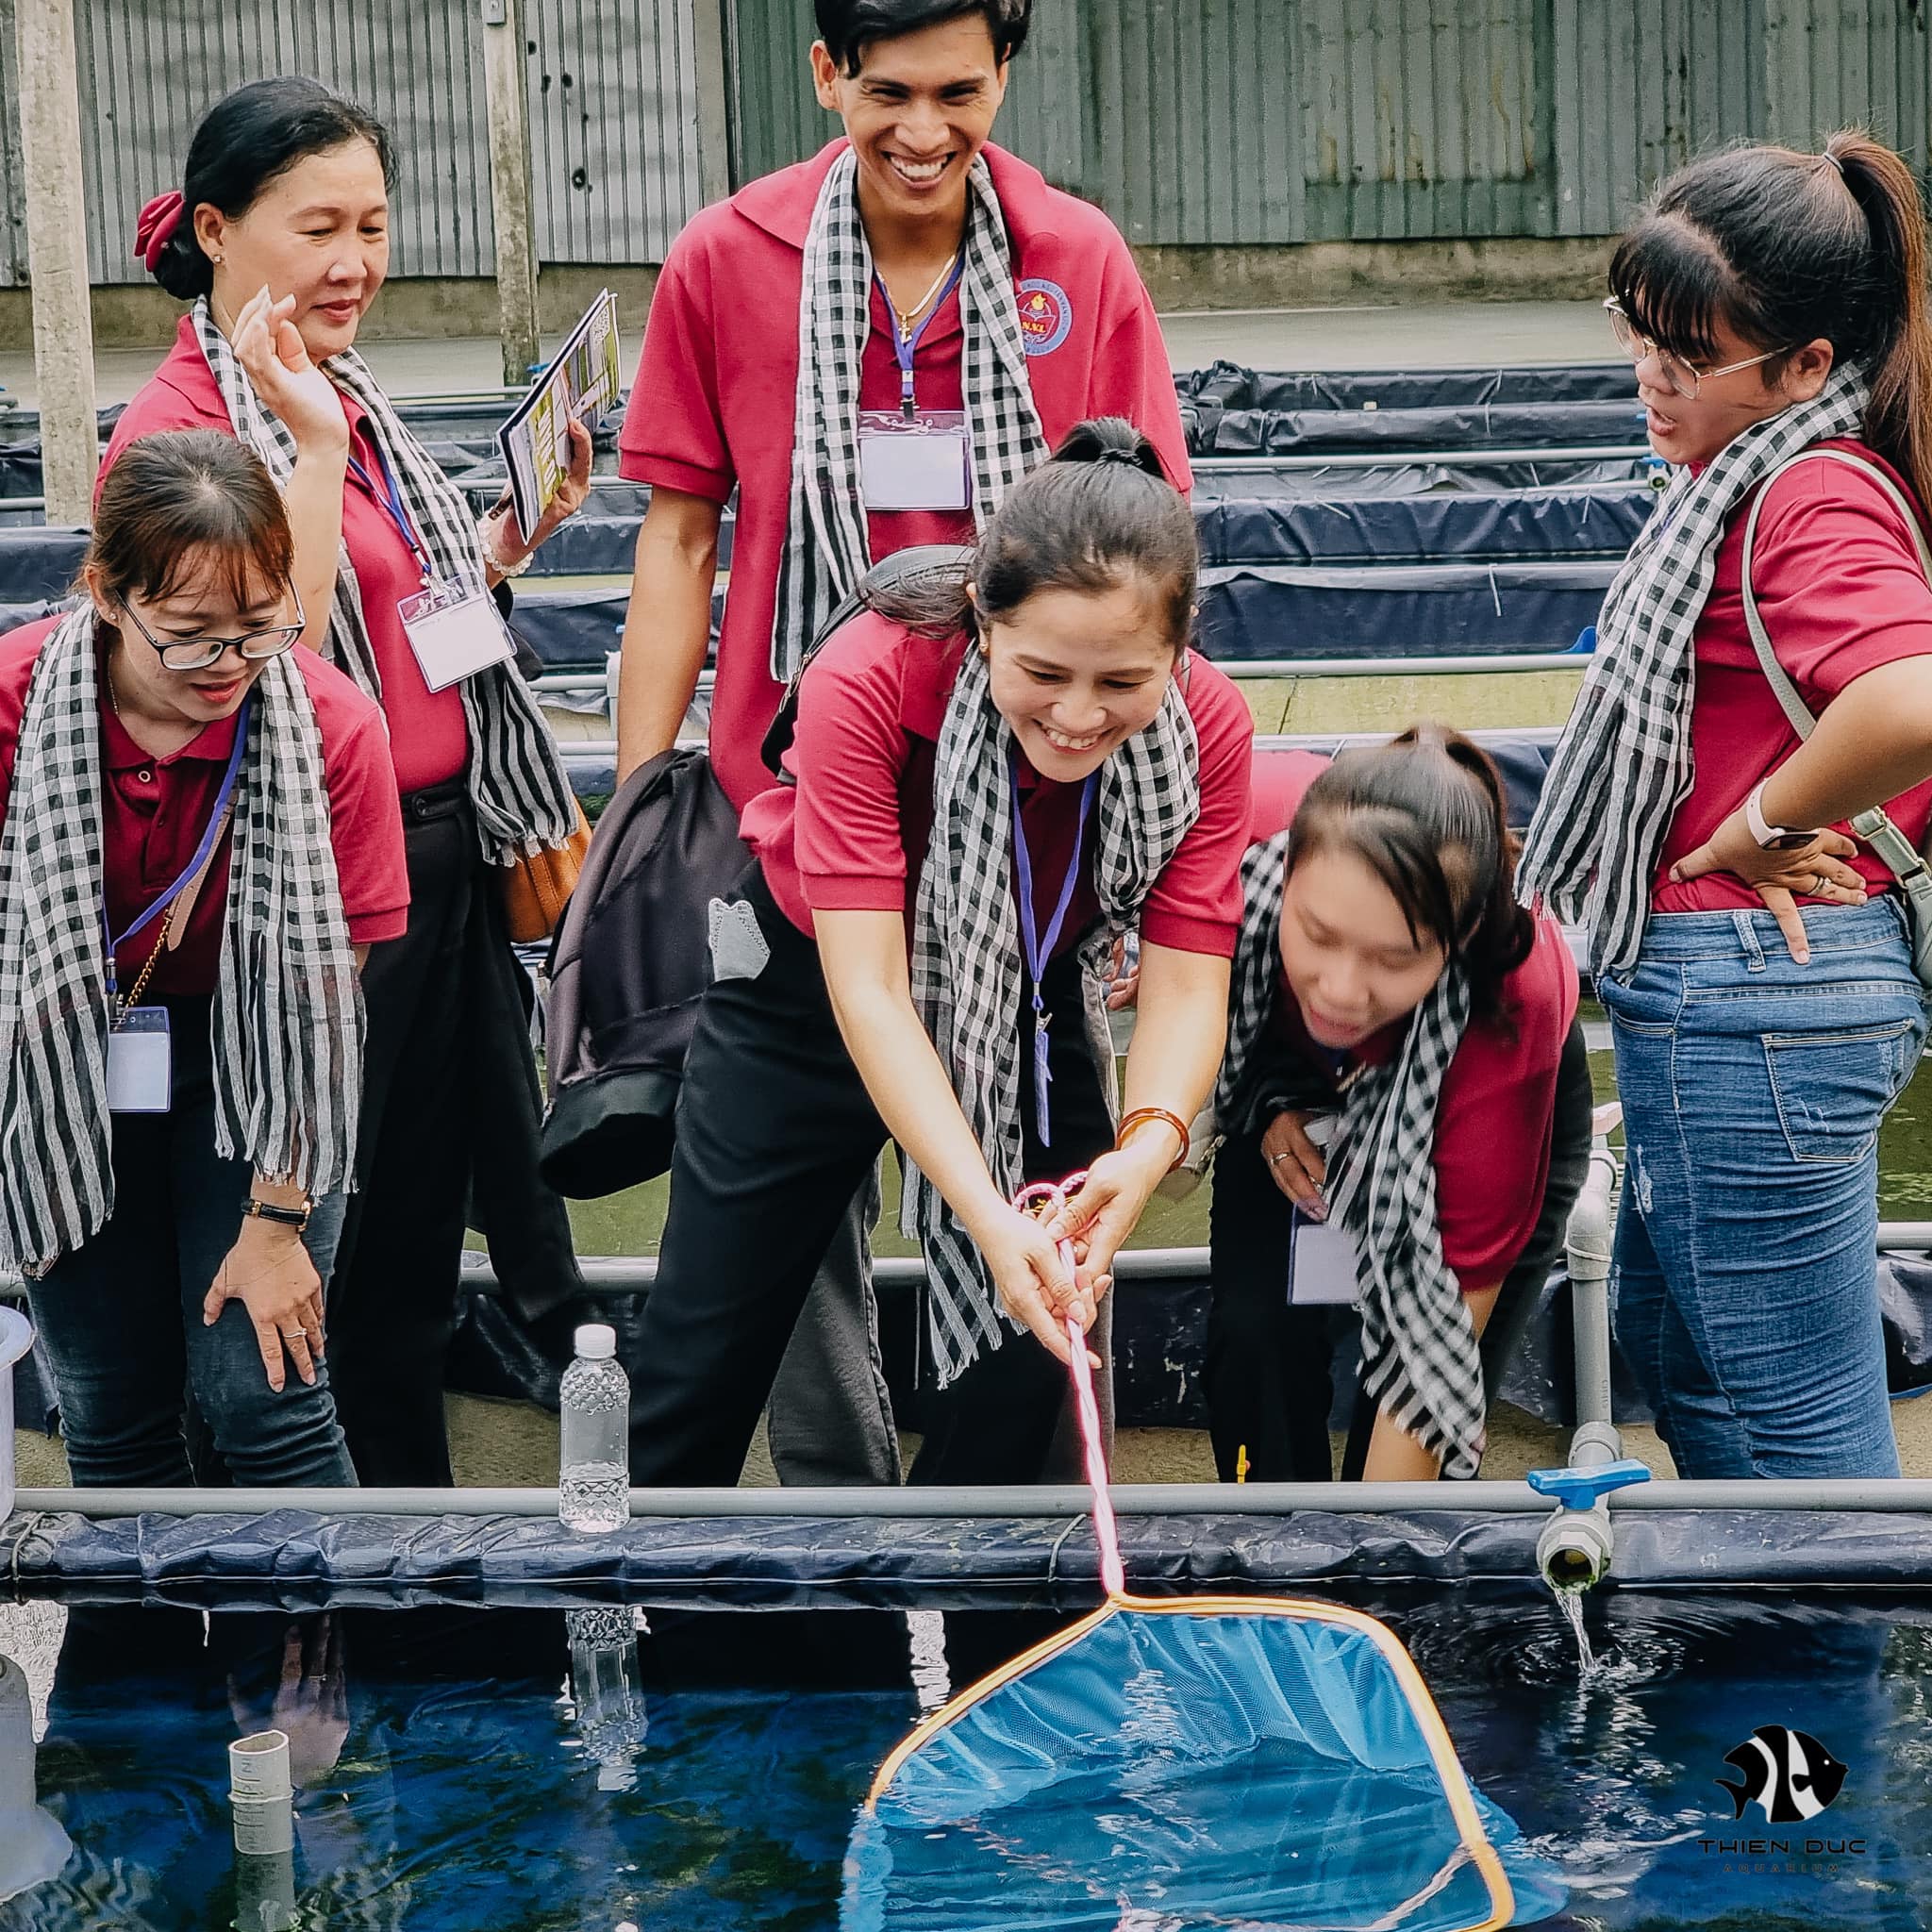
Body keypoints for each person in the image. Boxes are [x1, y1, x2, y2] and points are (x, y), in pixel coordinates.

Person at [612, 0, 1190, 1484]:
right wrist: (643, 807)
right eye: (884, 93)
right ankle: (743, 1619)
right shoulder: (728, 259)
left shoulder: (1078, 261)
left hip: (1022, 864)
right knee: (723, 1318)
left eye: (959, 91)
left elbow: (1151, 557)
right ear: (824, 76)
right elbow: (680, 542)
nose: (922, 132)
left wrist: (1127, 841)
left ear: (1006, 75)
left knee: (1036, 1322)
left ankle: (996, 1618)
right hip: (805, 841)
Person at [112, 77, 595, 1486]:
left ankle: (408, 1558)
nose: (354, 262)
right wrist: (310, 448)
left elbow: (401, 609)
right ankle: (320, 1591)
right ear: (214, 229)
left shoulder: (341, 394)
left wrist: (507, 535)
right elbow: (277, 670)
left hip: (430, 864)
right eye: (317, 226)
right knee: (328, 1239)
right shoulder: (188, 434)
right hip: (309, 903)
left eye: (373, 225)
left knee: (407, 1243)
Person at [625, 419, 1251, 1487]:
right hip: (807, 992)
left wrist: (1142, 1153)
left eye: (1121, 683)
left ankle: (991, 1630)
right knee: (705, 1345)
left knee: (1039, 1353)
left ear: (1179, 644)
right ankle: (641, 1620)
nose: (1075, 716)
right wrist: (985, 1210)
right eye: (1043, 671)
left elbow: (1189, 981)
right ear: (980, 615)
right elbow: (869, 988)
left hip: (1031, 995)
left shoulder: (1211, 722)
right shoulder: (870, 672)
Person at [1520, 131, 1932, 1480]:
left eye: (1691, 358)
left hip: (1758, 999)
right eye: (1641, 337)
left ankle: (1838, 1692)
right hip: (1746, 998)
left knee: (1790, 1439)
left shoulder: (1804, 493)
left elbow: (1911, 699)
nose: (1651, 377)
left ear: (1809, 366)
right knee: (1708, 1386)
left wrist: (1748, 830)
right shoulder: (1744, 481)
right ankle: (1778, 1693)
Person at [0, 429, 408, 1488]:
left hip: (258, 1066)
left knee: (266, 1394)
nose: (227, 668)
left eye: (257, 630)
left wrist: (276, 1220)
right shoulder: (11, 709)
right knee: (108, 1409)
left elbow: (329, 1003)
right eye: (187, 635)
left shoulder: (330, 727)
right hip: (63, 1055)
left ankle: (317, 1653)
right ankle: (135, 1659)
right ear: (104, 593)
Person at [1206, 736, 1589, 1483]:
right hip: (1294, 1075)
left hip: (1472, 1077)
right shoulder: (1230, 830)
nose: (1343, 990)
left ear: (1461, 936)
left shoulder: (1511, 1003)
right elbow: (1182, 982)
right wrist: (1272, 1090)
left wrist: (1378, 1547)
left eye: (1395, 955)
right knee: (1253, 1345)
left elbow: (1435, 1343)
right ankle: (1269, 1564)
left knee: (1431, 1406)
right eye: (1317, 936)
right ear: (1283, 877)